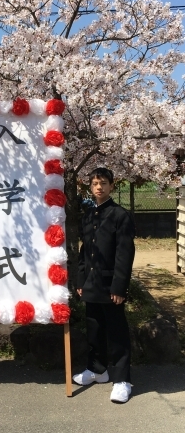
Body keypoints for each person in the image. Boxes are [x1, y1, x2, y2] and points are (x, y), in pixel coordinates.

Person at [73, 167, 135, 403]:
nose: (99, 187)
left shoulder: (120, 215)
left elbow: (124, 254)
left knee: (117, 332)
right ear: (90, 186)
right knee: (94, 329)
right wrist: (81, 281)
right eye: (95, 183)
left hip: (111, 286)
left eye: (104, 183)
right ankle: (98, 370)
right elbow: (84, 252)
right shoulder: (88, 215)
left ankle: (122, 380)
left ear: (111, 186)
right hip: (91, 284)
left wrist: (119, 287)